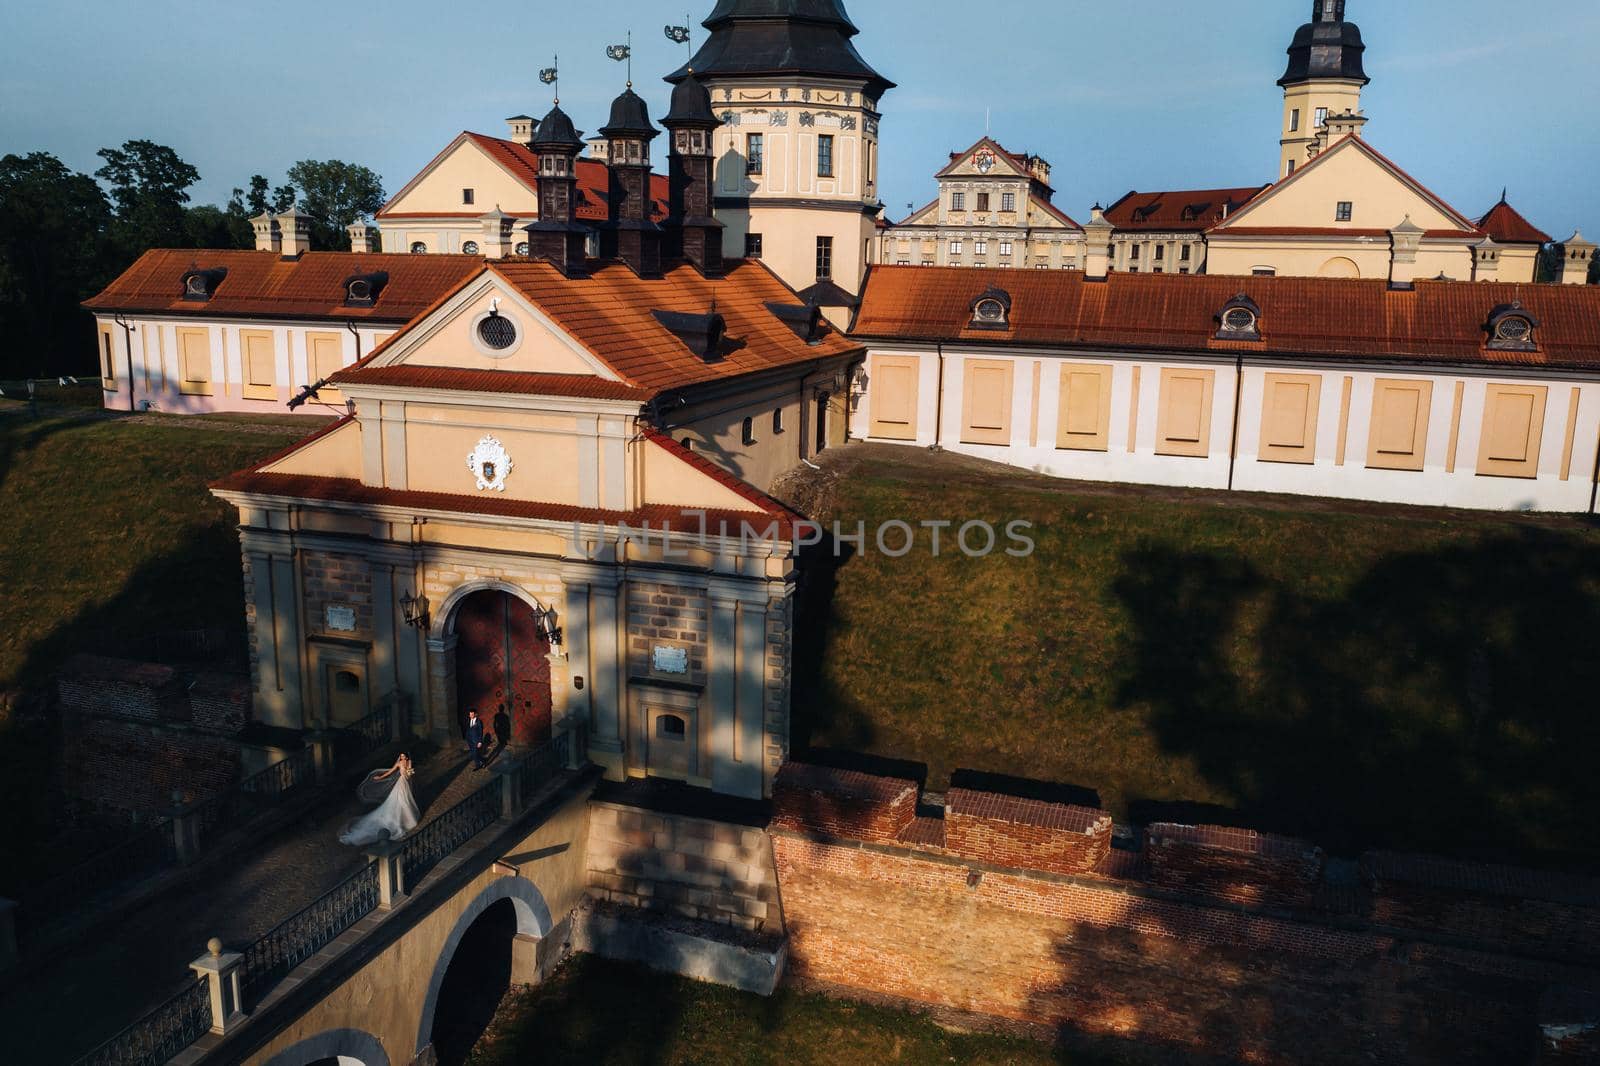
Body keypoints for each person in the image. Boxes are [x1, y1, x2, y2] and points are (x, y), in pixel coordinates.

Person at [338, 754, 419, 846]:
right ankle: (404, 819)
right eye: (401, 756)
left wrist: (409, 772)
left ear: (406, 757)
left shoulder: (409, 762)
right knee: (401, 799)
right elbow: (390, 772)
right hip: (401, 783)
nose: (402, 758)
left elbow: (410, 771)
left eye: (403, 756)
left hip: (407, 781)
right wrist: (380, 777)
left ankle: (407, 817)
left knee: (407, 798)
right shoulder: (399, 763)